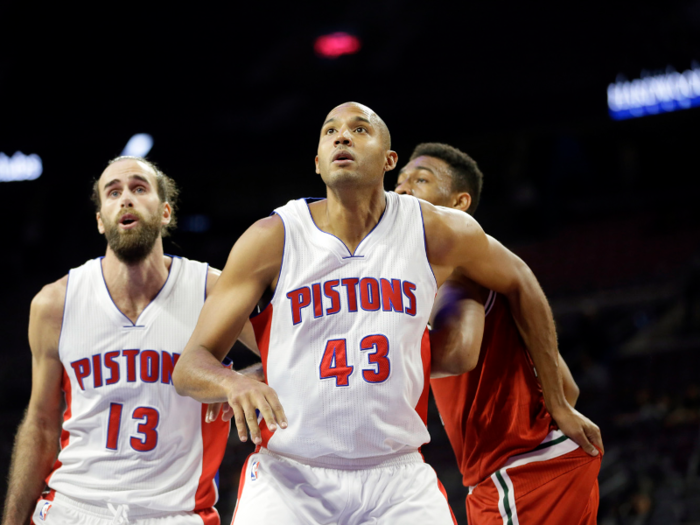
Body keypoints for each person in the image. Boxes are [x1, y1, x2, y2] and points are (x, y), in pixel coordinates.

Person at [172, 102, 602, 524]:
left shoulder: (435, 231)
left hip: (396, 477)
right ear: (318, 163)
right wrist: (232, 381)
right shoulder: (272, 238)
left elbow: (519, 281)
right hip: (291, 474)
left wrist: (560, 403)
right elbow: (189, 366)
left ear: (388, 160)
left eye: (360, 129)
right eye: (330, 131)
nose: (342, 135)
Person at [1, 157, 258, 525]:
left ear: (166, 211)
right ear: (100, 220)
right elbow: (40, 424)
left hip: (175, 512)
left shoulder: (210, 290)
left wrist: (246, 377)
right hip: (74, 509)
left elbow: (291, 350)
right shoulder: (54, 304)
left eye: (139, 188)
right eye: (113, 192)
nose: (126, 199)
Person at [395, 142, 602, 524]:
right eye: (400, 180)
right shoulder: (477, 277)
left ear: (459, 203)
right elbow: (569, 386)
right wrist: (557, 403)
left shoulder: (456, 273)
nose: (402, 189)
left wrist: (373, 352)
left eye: (420, 180)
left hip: (520, 471)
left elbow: (459, 353)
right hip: (545, 462)